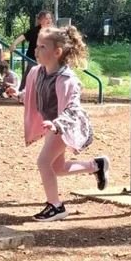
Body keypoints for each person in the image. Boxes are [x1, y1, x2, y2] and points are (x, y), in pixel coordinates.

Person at [23, 25, 108, 221]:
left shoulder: (67, 80)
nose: (36, 50)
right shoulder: (37, 72)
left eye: (42, 47)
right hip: (54, 126)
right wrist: (17, 94)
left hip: (67, 126)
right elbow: (33, 96)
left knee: (43, 162)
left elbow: (72, 108)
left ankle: (56, 206)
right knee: (57, 168)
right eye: (37, 45)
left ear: (57, 52)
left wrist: (58, 125)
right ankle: (97, 165)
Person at [13, 10, 53, 90]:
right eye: (46, 18)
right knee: (30, 75)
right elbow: (24, 36)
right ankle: (22, 91)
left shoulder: (52, 31)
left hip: (46, 59)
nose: (49, 20)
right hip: (33, 58)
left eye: (50, 18)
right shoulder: (35, 31)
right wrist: (14, 44)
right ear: (40, 21)